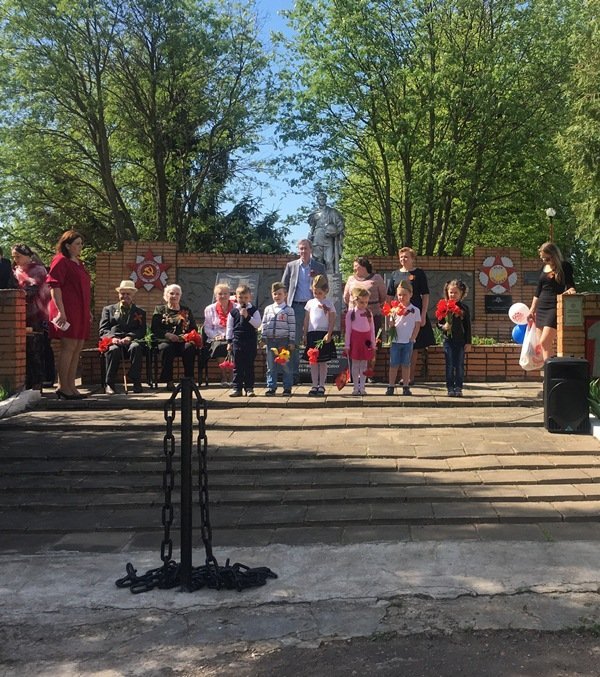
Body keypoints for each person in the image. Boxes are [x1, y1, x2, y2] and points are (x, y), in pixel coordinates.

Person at [46, 230, 92, 399]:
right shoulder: (60, 260)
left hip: (81, 309)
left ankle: (71, 386)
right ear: (67, 245)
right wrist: (60, 311)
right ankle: (63, 387)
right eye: (77, 244)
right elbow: (55, 286)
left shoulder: (79, 263)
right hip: (67, 308)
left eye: (81, 243)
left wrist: (88, 311)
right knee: (69, 346)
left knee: (78, 347)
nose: (80, 247)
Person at [386, 247, 435, 383]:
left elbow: (425, 295)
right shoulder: (395, 274)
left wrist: (423, 315)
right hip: (398, 316)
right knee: (397, 344)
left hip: (414, 314)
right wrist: (390, 316)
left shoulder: (419, 273)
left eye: (406, 257)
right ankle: (394, 378)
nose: (403, 259)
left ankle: (408, 377)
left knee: (413, 345)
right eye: (401, 257)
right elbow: (389, 296)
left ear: (413, 259)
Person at [282, 239, 326, 382]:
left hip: (314, 307)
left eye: (305, 248)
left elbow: (325, 286)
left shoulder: (319, 267)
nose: (303, 251)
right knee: (293, 341)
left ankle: (316, 378)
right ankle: (293, 375)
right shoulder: (291, 266)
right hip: (296, 306)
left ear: (311, 250)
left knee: (314, 338)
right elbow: (284, 285)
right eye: (301, 248)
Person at [11, 243, 55, 388]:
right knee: (27, 348)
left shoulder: (38, 270)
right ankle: (29, 380)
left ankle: (45, 378)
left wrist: (19, 293)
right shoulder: (15, 271)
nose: (16, 259)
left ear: (27, 256)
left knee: (41, 347)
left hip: (39, 314)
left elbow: (33, 289)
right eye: (14, 257)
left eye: (18, 256)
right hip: (21, 314)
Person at [527, 242, 576, 363]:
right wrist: (532, 310)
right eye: (543, 259)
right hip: (541, 308)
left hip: (554, 307)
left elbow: (571, 285)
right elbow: (538, 291)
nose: (545, 261)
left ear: (554, 255)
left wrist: (571, 290)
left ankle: (552, 371)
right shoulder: (543, 268)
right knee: (543, 345)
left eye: (547, 259)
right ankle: (549, 371)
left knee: (545, 342)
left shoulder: (564, 266)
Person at [99, 280, 147, 394]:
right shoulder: (108, 310)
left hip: (130, 341)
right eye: (122, 293)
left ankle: (136, 382)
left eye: (128, 294)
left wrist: (130, 337)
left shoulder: (140, 312)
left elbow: (141, 330)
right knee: (113, 350)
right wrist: (112, 338)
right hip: (114, 341)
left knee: (136, 347)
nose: (125, 296)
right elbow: (103, 330)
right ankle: (109, 384)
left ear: (133, 295)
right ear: (118, 294)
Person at [151, 283, 198, 390]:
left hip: (182, 341)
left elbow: (193, 328)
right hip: (166, 341)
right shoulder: (160, 310)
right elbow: (155, 328)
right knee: (166, 348)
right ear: (166, 295)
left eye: (177, 294)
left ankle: (189, 380)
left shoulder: (186, 310)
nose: (174, 296)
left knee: (189, 347)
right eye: (171, 293)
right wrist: (167, 335)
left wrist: (184, 337)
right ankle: (169, 381)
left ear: (180, 296)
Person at [385, 281, 421, 397]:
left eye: (404, 295)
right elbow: (391, 323)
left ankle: (406, 385)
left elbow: (417, 325)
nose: (402, 297)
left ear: (411, 294)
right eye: (399, 295)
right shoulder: (394, 309)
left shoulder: (415, 310)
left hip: (408, 341)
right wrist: (390, 323)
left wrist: (413, 337)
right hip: (396, 341)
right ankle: (391, 385)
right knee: (393, 364)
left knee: (406, 364)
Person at [303, 274, 336, 396]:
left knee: (323, 361)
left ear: (326, 291)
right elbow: (307, 319)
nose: (317, 295)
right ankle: (314, 385)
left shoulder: (329, 303)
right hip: (312, 334)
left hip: (323, 334)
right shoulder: (310, 303)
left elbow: (332, 319)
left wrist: (329, 333)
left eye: (320, 293)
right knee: (313, 361)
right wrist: (305, 334)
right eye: (315, 292)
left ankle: (321, 385)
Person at [261, 282, 296, 396]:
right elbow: (264, 324)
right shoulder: (268, 309)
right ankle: (271, 387)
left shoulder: (289, 310)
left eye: (280, 294)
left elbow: (292, 326)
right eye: (275, 294)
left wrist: (291, 341)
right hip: (271, 341)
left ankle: (287, 387)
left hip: (283, 341)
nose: (277, 296)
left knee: (286, 365)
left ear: (285, 295)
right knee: (271, 366)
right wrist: (263, 337)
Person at [438, 279, 471, 397]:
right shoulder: (444, 306)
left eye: (456, 292)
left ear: (461, 293)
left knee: (459, 365)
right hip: (448, 340)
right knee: (449, 364)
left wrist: (468, 342)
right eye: (451, 292)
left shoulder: (464, 308)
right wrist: (444, 327)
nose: (453, 295)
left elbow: (467, 326)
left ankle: (459, 387)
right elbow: (439, 323)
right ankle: (450, 387)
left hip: (460, 341)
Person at [226, 284, 261, 397]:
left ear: (250, 297)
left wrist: (247, 316)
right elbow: (229, 327)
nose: (243, 300)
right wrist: (229, 342)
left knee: (249, 365)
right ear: (236, 297)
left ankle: (249, 388)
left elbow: (257, 324)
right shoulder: (233, 312)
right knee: (238, 366)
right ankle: (237, 388)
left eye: (246, 297)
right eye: (240, 297)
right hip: (237, 341)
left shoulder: (254, 310)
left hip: (250, 341)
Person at [344, 287, 376, 396]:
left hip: (366, 340)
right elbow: (348, 331)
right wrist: (347, 345)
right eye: (361, 302)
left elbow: (372, 329)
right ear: (355, 300)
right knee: (355, 364)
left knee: (364, 364)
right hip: (356, 340)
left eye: (366, 302)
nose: (364, 304)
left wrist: (373, 344)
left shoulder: (369, 313)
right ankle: (355, 387)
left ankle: (362, 387)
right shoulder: (351, 313)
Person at [343, 256, 387, 334]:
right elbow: (346, 298)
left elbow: (383, 297)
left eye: (356, 266)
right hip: (354, 316)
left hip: (373, 316)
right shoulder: (351, 279)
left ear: (364, 266)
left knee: (373, 338)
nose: (354, 268)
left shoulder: (377, 278)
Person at [202, 283, 234, 386]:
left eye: (225, 293)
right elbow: (207, 327)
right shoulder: (209, 309)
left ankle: (232, 376)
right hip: (217, 337)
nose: (223, 296)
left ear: (229, 295)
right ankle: (224, 376)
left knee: (234, 346)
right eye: (220, 294)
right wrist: (215, 336)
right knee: (220, 346)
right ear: (216, 296)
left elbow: (238, 325)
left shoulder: (236, 308)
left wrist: (230, 336)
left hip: (232, 337)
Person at [307, 191, 345, 275]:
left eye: (323, 199)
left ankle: (331, 280)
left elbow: (341, 224)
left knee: (329, 260)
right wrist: (310, 236)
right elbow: (312, 227)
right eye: (320, 199)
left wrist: (336, 232)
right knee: (318, 260)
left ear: (326, 200)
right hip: (317, 238)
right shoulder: (314, 214)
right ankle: (318, 279)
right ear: (317, 200)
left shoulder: (332, 212)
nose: (322, 201)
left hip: (328, 239)